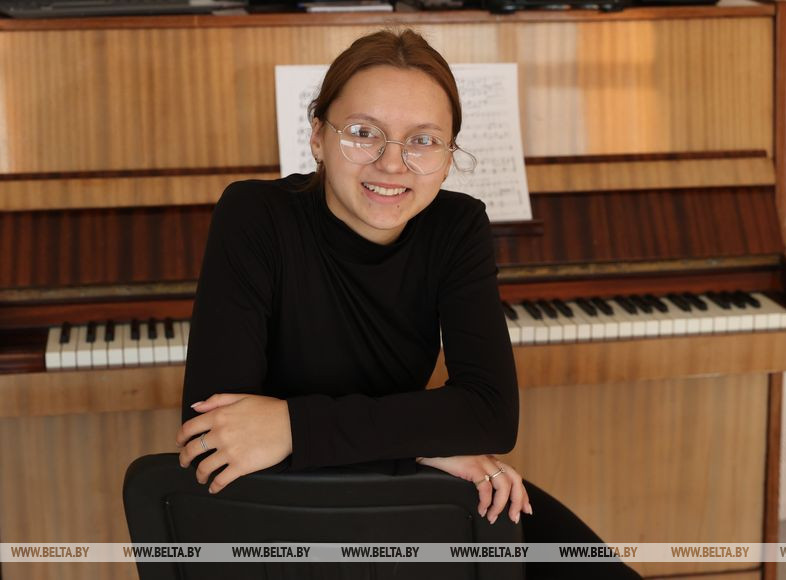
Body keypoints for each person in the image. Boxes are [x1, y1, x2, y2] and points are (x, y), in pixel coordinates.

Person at [175, 28, 642, 580]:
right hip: (275, 500)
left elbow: (492, 415)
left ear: (447, 158)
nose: (392, 164)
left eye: (422, 140)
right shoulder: (253, 214)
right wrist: (424, 443)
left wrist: (296, 428)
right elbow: (216, 435)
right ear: (318, 137)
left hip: (396, 473)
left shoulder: (457, 225)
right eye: (362, 133)